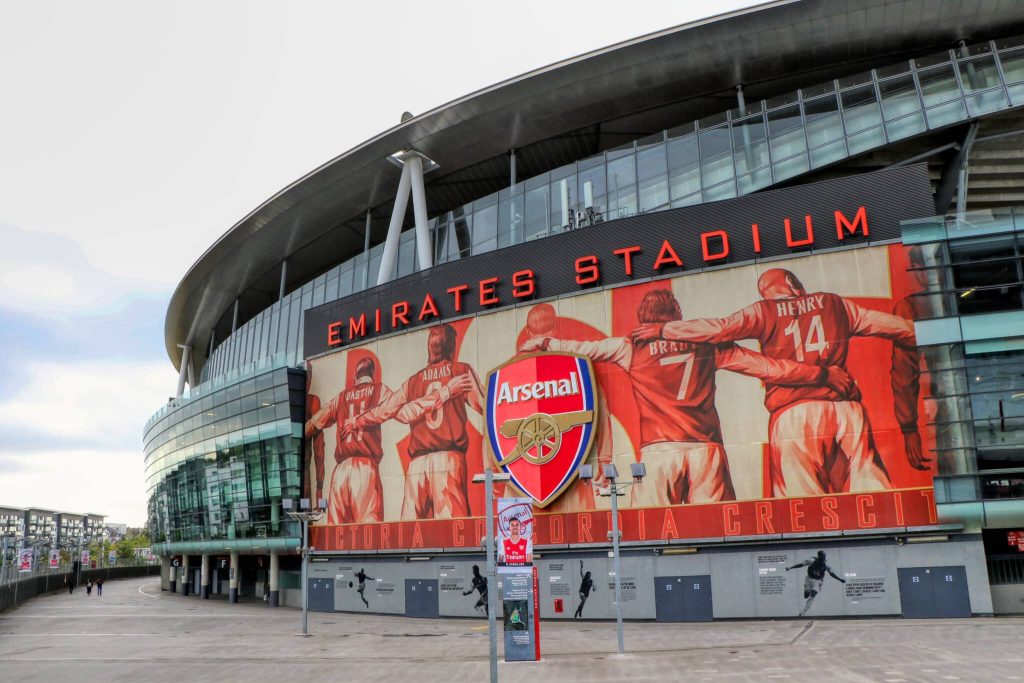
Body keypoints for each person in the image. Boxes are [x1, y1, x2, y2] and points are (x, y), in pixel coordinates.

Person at [522, 288, 854, 505]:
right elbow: (769, 368)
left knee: (647, 533)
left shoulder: (629, 347)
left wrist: (546, 343)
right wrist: (822, 374)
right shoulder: (707, 345)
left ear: (643, 320)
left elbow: (584, 349)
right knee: (717, 531)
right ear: (677, 318)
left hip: (657, 452)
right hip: (706, 449)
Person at [633, 268, 917, 497]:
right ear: (794, 284)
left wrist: (663, 330)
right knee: (871, 482)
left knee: (800, 498)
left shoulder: (763, 311)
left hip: (793, 414)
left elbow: (719, 329)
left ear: (769, 294)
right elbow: (902, 330)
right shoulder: (836, 303)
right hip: (845, 408)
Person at [347, 324, 484, 520]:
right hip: (448, 459)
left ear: (430, 348)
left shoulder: (413, 381)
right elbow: (485, 406)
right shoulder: (460, 371)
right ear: (451, 347)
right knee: (452, 530)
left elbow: (387, 410)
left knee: (411, 533)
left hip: (416, 466)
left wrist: (357, 420)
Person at [786, 550, 845, 617]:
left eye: (825, 556)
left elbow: (831, 574)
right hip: (809, 579)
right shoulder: (811, 560)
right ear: (819, 556)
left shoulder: (826, 564)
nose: (824, 557)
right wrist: (790, 567)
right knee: (806, 595)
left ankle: (803, 613)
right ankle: (807, 591)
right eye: (823, 556)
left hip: (818, 581)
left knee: (813, 595)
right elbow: (801, 564)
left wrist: (840, 579)